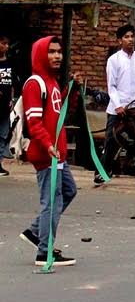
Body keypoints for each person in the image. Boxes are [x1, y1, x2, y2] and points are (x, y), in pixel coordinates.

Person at [18, 36, 79, 266]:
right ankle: (44, 251)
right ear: (41, 54)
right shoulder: (34, 84)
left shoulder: (51, 82)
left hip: (58, 153)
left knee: (68, 191)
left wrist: (71, 91)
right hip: (47, 154)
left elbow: (58, 111)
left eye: (59, 52)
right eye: (51, 52)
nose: (57, 56)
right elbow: (34, 122)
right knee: (51, 201)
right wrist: (48, 144)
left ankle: (35, 232)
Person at [94, 25, 135, 190]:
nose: (130, 39)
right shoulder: (113, 60)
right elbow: (111, 86)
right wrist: (118, 105)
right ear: (119, 40)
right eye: (127, 37)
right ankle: (101, 172)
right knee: (111, 141)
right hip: (118, 109)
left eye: (132, 36)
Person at [0, 34, 20, 176]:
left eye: (7, 44)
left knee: (3, 134)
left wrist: (12, 100)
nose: (6, 46)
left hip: (5, 106)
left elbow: (12, 83)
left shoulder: (10, 63)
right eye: (3, 43)